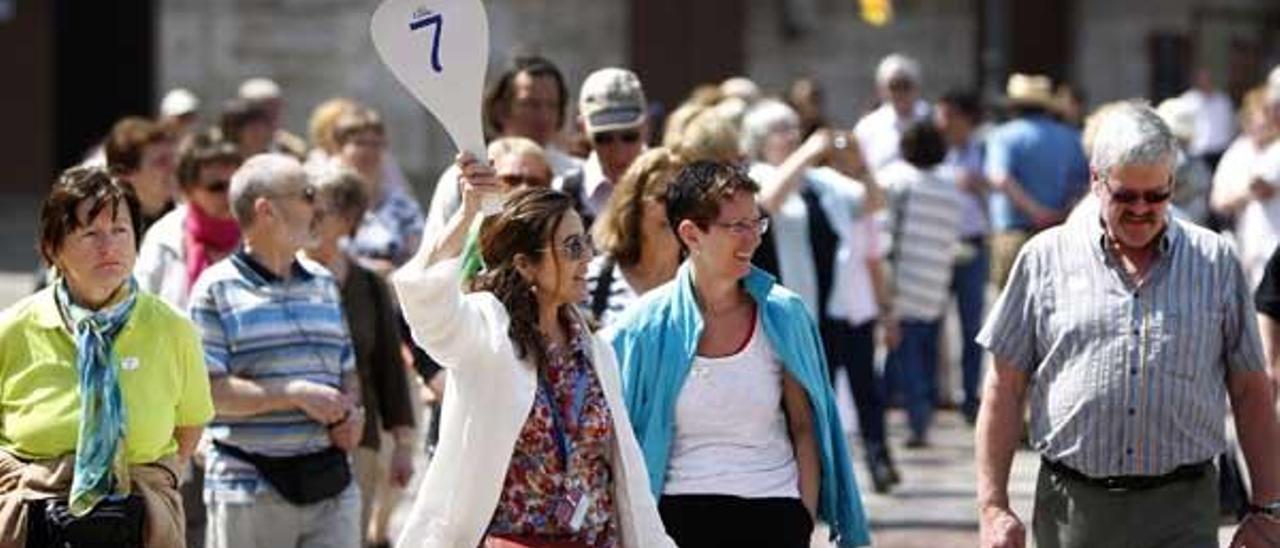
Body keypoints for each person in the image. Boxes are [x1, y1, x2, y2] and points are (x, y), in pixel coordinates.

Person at [975, 102, 1280, 548]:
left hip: (1183, 511)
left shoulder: (1214, 262)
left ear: (1172, 184)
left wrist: (1269, 508)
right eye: (1125, 196)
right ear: (1097, 182)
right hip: (1074, 513)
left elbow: (1252, 390)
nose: (1142, 209)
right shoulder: (1044, 259)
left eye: (1156, 195)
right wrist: (993, 507)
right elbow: (1004, 387)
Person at [391, 155, 674, 547]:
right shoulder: (487, 332)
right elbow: (425, 300)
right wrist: (468, 214)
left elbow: (626, 480)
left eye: (586, 243)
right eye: (572, 247)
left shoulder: (594, 349)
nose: (587, 259)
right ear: (525, 265)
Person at [606, 161, 870, 547]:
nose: (754, 239)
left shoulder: (784, 314)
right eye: (737, 227)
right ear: (692, 234)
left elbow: (804, 426)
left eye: (756, 222)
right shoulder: (643, 327)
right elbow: (623, 444)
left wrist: (802, 519)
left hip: (775, 512)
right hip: (676, 520)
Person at [0, 166, 214, 547]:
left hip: (142, 524)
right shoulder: (13, 329)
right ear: (53, 248)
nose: (109, 246)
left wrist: (150, 482)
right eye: (90, 233)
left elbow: (189, 428)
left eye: (120, 231)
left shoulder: (172, 328)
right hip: (32, 521)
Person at [187, 154, 363, 548]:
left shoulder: (323, 282)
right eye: (306, 194)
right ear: (266, 210)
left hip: (332, 486)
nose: (318, 206)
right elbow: (209, 394)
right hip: (249, 487)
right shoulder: (214, 289)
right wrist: (293, 394)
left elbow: (347, 370)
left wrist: (352, 413)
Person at [740, 99, 898, 493]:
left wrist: (860, 162)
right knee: (798, 402)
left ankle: (854, 469)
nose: (791, 136)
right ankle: (801, 482)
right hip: (789, 309)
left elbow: (874, 202)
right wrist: (808, 151)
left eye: (793, 128)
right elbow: (767, 204)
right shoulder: (757, 176)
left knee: (846, 394)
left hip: (836, 306)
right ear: (760, 141)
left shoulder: (820, 182)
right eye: (780, 130)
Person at [302, 169, 417, 548]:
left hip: (359, 439)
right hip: (293, 438)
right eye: (308, 204)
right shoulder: (282, 276)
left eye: (325, 208)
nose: (313, 215)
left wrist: (401, 444)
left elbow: (388, 368)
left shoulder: (368, 285)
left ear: (349, 219)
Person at [425, 55, 583, 240]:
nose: (543, 115)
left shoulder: (577, 175)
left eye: (552, 105)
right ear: (501, 109)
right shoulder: (465, 178)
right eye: (531, 104)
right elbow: (433, 250)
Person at [879, 121, 963, 447]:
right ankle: (918, 415)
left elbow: (888, 232)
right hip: (936, 280)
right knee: (925, 357)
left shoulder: (900, 182)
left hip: (905, 282)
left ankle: (917, 423)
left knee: (907, 356)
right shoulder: (950, 186)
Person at [984, 73, 1089, 288]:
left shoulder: (1003, 136)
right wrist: (1063, 212)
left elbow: (1000, 178)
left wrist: (1036, 211)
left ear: (1013, 106)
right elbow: (1085, 184)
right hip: (1060, 235)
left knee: (1011, 314)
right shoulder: (1071, 137)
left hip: (1015, 235)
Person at [135, 129, 242, 310]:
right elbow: (141, 304)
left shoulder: (259, 231)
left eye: (235, 184)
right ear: (188, 190)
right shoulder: (165, 238)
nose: (229, 194)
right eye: (216, 187)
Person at [934, 90, 990, 422]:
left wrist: (980, 183)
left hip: (974, 241)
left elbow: (999, 186)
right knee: (930, 324)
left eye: (949, 116)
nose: (942, 123)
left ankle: (971, 398)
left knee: (972, 325)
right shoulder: (935, 150)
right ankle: (936, 396)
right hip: (940, 243)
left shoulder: (984, 149)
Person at [584, 147, 683, 326]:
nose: (675, 209)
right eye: (663, 198)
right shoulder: (591, 280)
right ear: (634, 207)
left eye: (683, 199)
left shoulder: (707, 287)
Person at [328, 107, 426, 272]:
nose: (369, 151)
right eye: (360, 143)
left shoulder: (402, 206)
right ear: (338, 147)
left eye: (376, 144)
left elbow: (419, 257)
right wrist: (369, 269)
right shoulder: (325, 203)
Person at [558, 67, 651, 230]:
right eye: (603, 139)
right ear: (582, 129)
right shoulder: (562, 192)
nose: (619, 152)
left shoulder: (672, 187)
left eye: (629, 137)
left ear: (646, 125)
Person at [1211, 82, 1280, 287]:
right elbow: (1219, 200)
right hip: (1252, 246)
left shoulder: (1275, 150)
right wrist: (1247, 195)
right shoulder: (1237, 153)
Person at [854, 53, 931, 173]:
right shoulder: (868, 126)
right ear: (882, 89)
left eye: (906, 85)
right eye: (894, 86)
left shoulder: (933, 119)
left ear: (917, 87)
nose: (900, 93)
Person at [104, 117, 179, 232]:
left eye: (172, 159)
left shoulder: (186, 221)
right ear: (124, 174)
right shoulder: (107, 231)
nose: (173, 167)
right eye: (161, 162)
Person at [1180, 68, 1237, 172]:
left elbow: (1231, 124)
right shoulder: (1188, 99)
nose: (1205, 81)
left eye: (1207, 78)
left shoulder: (1223, 99)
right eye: (1202, 79)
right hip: (1197, 153)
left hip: (1221, 150)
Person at [238, 77, 310, 160]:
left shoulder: (292, 149)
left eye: (276, 108)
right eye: (266, 108)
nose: (274, 115)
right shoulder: (223, 148)